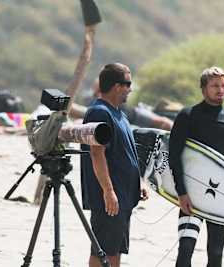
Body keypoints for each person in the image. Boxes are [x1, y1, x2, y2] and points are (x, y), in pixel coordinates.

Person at [169, 66, 224, 267]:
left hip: (220, 197)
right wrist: (182, 192)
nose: (220, 90)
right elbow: (175, 157)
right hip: (191, 195)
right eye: (215, 85)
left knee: (216, 255)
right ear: (203, 88)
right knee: (184, 254)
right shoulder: (188, 116)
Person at [80, 63, 148, 267]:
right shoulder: (99, 112)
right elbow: (96, 153)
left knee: (115, 250)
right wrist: (108, 191)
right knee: (102, 251)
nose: (130, 89)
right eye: (127, 84)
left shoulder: (118, 113)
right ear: (116, 86)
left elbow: (125, 153)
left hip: (123, 195)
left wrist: (138, 183)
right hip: (109, 197)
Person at [91, 78, 173, 130]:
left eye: (100, 91)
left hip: (136, 115)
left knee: (165, 123)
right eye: (96, 94)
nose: (98, 95)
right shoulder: (97, 107)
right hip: (131, 125)